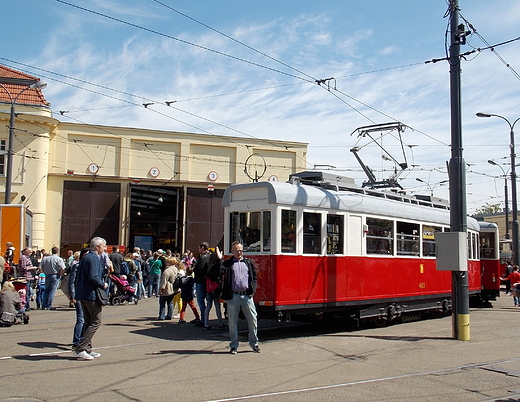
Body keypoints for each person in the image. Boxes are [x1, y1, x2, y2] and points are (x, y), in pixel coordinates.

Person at [220, 241, 259, 354]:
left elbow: (254, 277)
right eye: (237, 250)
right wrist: (219, 260)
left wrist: (253, 289)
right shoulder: (228, 264)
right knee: (232, 322)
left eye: (241, 250)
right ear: (232, 251)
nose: (239, 252)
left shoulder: (248, 262)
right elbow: (218, 272)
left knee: (253, 320)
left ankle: (254, 343)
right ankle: (234, 345)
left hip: (247, 296)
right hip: (233, 296)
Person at [74, 237, 109, 361]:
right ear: (97, 247)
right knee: (95, 321)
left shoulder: (86, 257)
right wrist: (103, 284)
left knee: (88, 321)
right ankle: (80, 348)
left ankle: (86, 349)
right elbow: (93, 277)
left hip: (83, 294)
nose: (105, 248)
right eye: (104, 246)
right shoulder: (94, 258)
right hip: (91, 295)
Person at [68, 248, 89, 350]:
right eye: (85, 255)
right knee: (81, 319)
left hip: (88, 296)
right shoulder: (77, 266)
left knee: (86, 320)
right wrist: (72, 296)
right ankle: (76, 342)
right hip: (79, 295)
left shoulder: (90, 266)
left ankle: (82, 340)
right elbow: (71, 282)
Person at [204, 248, 225, 329]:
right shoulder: (216, 266)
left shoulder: (209, 266)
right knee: (217, 306)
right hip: (216, 289)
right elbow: (218, 274)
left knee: (208, 306)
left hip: (209, 289)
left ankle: (206, 323)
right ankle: (220, 322)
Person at [193, 242, 210, 328]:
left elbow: (198, 269)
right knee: (208, 302)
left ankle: (203, 320)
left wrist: (195, 267)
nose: (198, 249)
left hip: (201, 281)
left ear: (203, 247)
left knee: (201, 301)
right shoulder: (210, 256)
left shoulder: (203, 258)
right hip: (206, 281)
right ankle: (205, 319)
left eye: (199, 248)